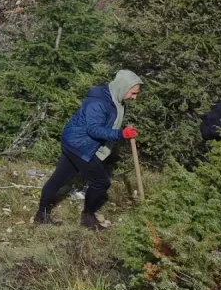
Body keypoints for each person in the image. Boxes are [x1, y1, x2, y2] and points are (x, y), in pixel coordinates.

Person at [36, 71, 143, 230]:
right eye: (133, 93)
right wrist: (121, 134)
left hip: (74, 141)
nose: (135, 97)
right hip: (79, 145)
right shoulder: (99, 103)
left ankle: (41, 215)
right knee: (101, 182)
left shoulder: (115, 99)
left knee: (59, 178)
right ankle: (88, 217)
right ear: (123, 87)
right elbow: (94, 130)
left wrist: (123, 132)